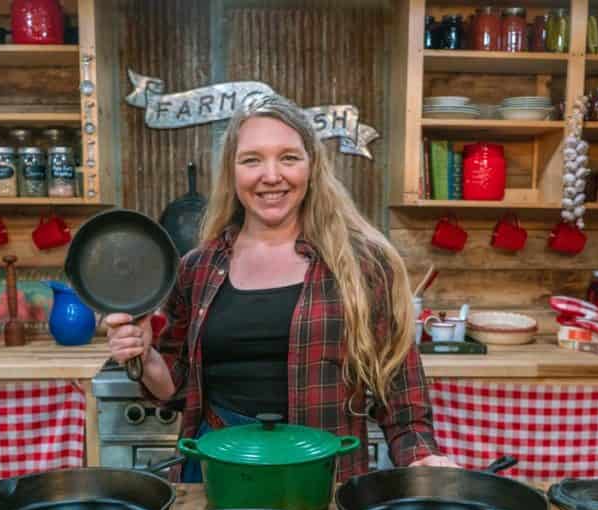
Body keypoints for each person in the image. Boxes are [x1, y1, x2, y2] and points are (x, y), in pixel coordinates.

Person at [106, 95, 454, 481]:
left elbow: (400, 385)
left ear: (312, 166)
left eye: (288, 157)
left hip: (322, 468)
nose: (271, 176)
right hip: (217, 467)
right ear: (232, 172)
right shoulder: (197, 269)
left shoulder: (363, 265)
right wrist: (146, 356)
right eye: (252, 159)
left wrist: (421, 457)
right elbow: (176, 388)